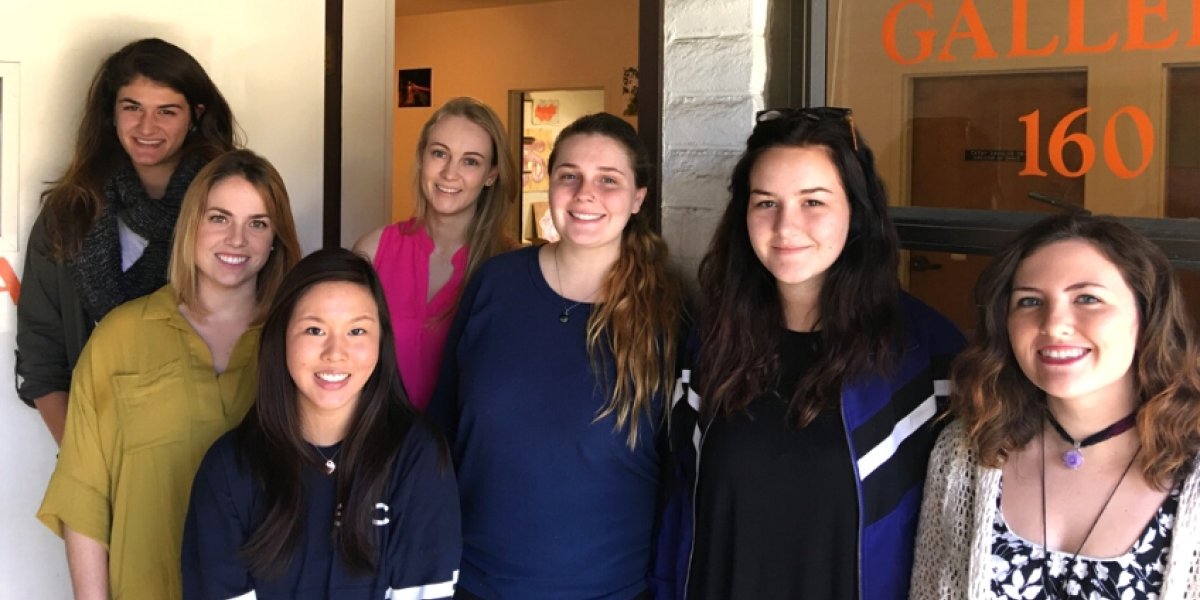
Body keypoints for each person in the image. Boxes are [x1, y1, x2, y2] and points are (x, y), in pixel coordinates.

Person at [685, 107, 965, 599]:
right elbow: (674, 508)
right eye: (765, 203)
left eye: (813, 201)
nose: (786, 227)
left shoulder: (927, 354)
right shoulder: (708, 342)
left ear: (856, 211)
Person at [428, 113, 683, 599]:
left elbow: (681, 476)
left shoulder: (669, 312)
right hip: (475, 584)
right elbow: (442, 424)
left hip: (609, 590)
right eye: (570, 176)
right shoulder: (495, 283)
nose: (586, 194)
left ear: (638, 198)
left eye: (608, 180)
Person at [37, 150, 301, 600]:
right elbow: (84, 499)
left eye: (258, 223)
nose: (237, 239)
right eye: (219, 218)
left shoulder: (298, 342)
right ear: (191, 224)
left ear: (275, 237)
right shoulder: (119, 336)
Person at [910, 214, 1200, 599]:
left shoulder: (1191, 465)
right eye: (1029, 301)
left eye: (1088, 298)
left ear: (1146, 317)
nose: (1054, 324)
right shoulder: (965, 452)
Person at [182, 248, 461, 599]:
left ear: (381, 341)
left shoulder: (416, 457)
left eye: (357, 331)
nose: (335, 353)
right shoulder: (228, 469)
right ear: (281, 336)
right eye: (314, 330)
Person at [17, 37, 238, 445]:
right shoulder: (70, 213)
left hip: (211, 449)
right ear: (111, 113)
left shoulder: (232, 209)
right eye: (132, 107)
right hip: (98, 441)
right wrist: (82, 458)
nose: (146, 128)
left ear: (196, 115)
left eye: (166, 111)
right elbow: (41, 349)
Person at [354, 97, 516, 411]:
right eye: (439, 153)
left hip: (462, 453)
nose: (449, 173)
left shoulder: (509, 267)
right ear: (422, 157)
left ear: (491, 174)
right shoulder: (372, 251)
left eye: (470, 161)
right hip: (378, 448)